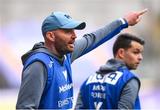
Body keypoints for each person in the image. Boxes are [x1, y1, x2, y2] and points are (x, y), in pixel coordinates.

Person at [16, 9, 147, 109]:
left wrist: (123, 22)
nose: (74, 35)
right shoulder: (39, 64)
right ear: (51, 36)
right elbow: (25, 107)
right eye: (67, 31)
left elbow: (93, 38)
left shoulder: (66, 54)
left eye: (74, 30)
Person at [75, 33, 145, 109]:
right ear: (121, 53)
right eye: (135, 52)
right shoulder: (129, 80)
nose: (140, 57)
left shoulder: (88, 80)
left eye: (141, 53)